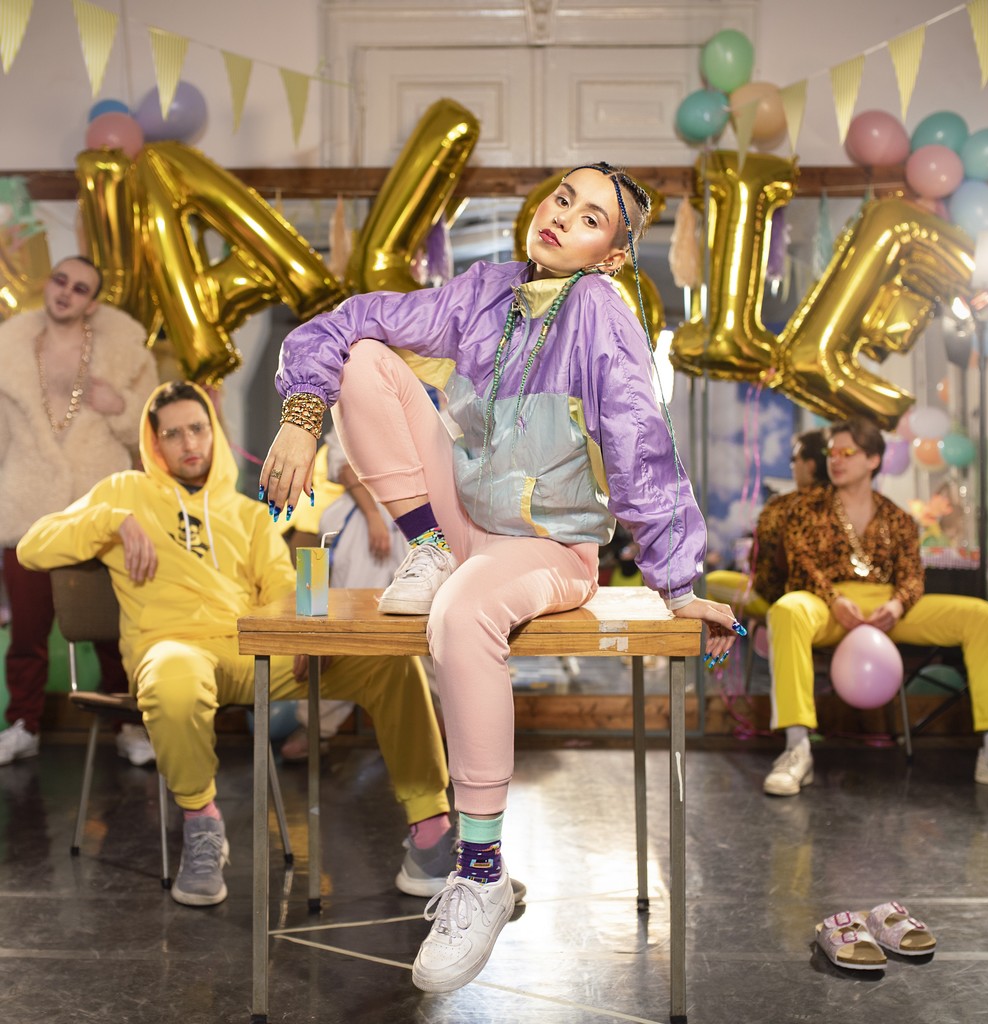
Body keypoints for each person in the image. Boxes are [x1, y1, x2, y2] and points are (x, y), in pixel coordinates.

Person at [260, 162, 741, 991]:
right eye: (564, 198)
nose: (563, 217)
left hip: (550, 545)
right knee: (365, 357)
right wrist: (303, 416)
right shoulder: (486, 290)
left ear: (610, 255)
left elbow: (638, 436)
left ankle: (480, 871)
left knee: (459, 615)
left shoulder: (600, 310)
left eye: (591, 219)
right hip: (464, 527)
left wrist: (676, 579)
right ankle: (427, 547)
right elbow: (346, 322)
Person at [17, 381, 460, 908]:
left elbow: (280, 590)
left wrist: (301, 632)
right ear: (154, 443)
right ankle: (202, 824)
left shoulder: (248, 514)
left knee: (392, 665)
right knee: (172, 676)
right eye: (173, 434)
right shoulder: (123, 493)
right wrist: (111, 520)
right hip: (176, 650)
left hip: (254, 652)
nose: (189, 443)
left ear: (213, 432)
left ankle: (431, 833)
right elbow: (31, 548)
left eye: (197, 428)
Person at [763, 417, 988, 797]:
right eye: (832, 453)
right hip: (825, 601)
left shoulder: (897, 517)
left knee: (985, 617)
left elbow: (913, 576)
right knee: (787, 611)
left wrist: (899, 605)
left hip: (887, 604)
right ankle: (796, 748)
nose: (836, 460)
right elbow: (801, 563)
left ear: (873, 459)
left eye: (847, 452)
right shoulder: (805, 507)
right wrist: (834, 600)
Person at [0, 256, 158, 768]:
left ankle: (128, 725)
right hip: (25, 507)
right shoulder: (10, 348)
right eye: (60, 280)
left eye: (80, 288)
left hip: (99, 508)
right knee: (26, 633)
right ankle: (24, 725)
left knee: (114, 630)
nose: (66, 292)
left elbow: (150, 431)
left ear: (92, 303)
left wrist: (121, 405)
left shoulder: (124, 351)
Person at [280, 428, 406, 761]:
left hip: (418, 518)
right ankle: (315, 727)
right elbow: (344, 465)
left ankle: (441, 730)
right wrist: (373, 515)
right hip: (360, 524)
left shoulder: (439, 403)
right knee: (347, 626)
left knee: (431, 630)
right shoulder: (351, 407)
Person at [706, 428, 829, 618]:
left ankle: (717, 638)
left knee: (710, 583)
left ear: (810, 465)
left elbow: (765, 560)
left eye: (794, 459)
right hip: (827, 598)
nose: (792, 466)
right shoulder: (838, 503)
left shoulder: (786, 506)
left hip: (777, 597)